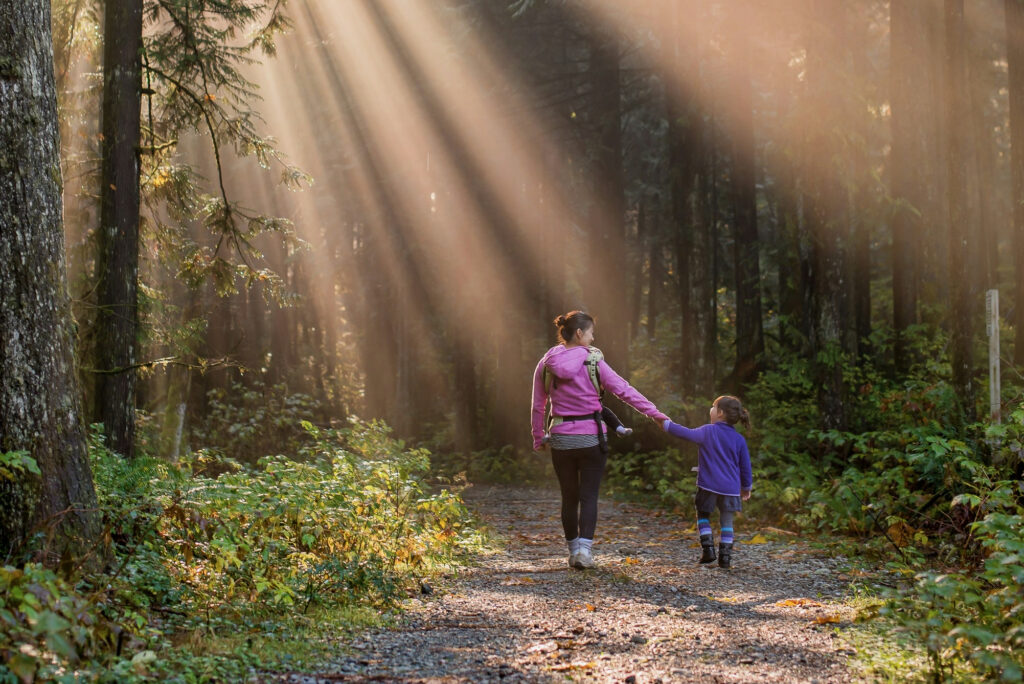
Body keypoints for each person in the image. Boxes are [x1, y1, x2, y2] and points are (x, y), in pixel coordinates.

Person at [532, 311, 668, 569]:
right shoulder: (593, 361)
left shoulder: (546, 362)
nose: (593, 338)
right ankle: (585, 552)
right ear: (580, 333)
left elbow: (538, 405)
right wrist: (655, 415)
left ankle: (573, 552)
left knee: (568, 497)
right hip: (592, 438)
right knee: (589, 496)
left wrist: (538, 437)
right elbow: (624, 391)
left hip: (561, 438)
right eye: (591, 332)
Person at [662, 395, 753, 569]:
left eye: (713, 407)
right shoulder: (739, 439)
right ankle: (725, 558)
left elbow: (685, 433)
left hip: (708, 486)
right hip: (731, 489)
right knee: (727, 522)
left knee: (702, 515)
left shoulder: (707, 431)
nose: (710, 410)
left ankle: (708, 549)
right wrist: (746, 487)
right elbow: (745, 467)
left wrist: (665, 424)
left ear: (719, 413)